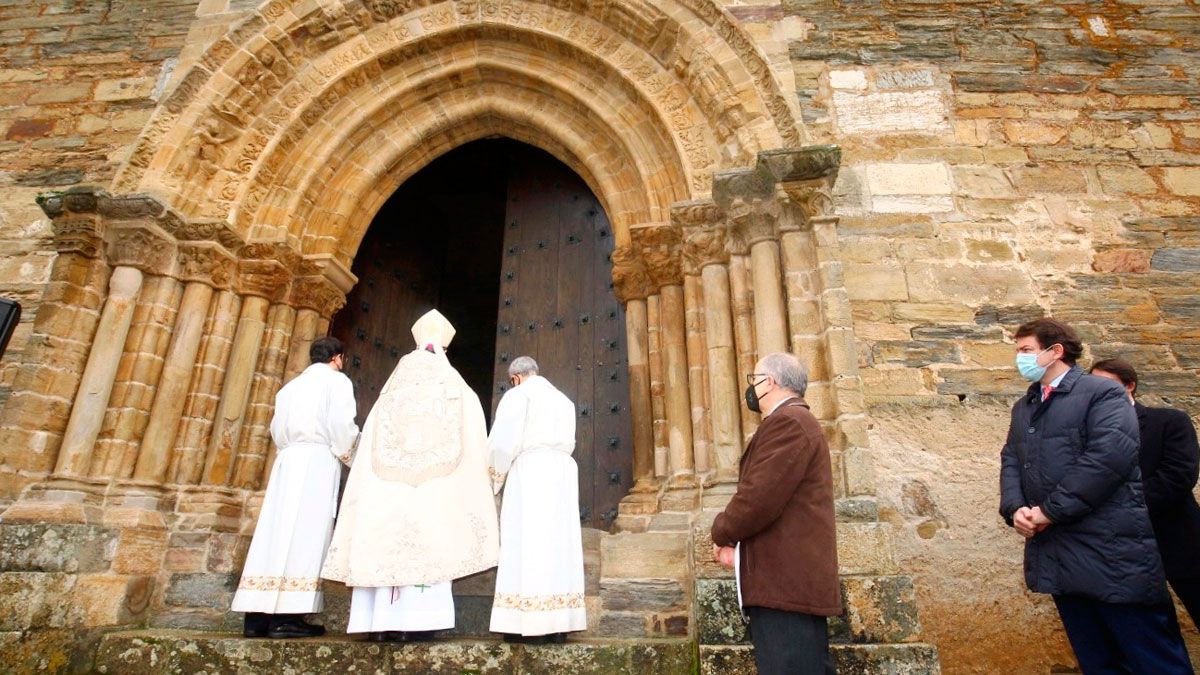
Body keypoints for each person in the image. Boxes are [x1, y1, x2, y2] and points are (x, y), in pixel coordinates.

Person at [999, 319, 1193, 673]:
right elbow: (1012, 458)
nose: (1019, 359)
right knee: (1097, 661)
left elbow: (1108, 458)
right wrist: (1016, 509)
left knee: (1152, 658)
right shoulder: (1025, 406)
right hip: (1059, 553)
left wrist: (1049, 511)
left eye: (1025, 350)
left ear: (1054, 351)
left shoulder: (1103, 394)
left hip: (1111, 553)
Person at [321, 309, 499, 642]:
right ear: (444, 350)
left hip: (386, 491)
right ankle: (415, 623)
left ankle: (378, 623)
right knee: (428, 542)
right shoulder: (457, 390)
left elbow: (365, 444)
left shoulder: (388, 394)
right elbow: (475, 436)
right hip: (433, 489)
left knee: (384, 541)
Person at [710, 352, 840, 675]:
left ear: (769, 383)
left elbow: (758, 498)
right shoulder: (795, 422)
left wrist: (721, 532)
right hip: (788, 589)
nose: (751, 390)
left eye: (754, 381)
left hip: (786, 590)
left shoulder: (790, 423)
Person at [230, 336, 359, 639]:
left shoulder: (289, 388)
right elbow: (342, 427)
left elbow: (276, 429)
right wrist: (353, 454)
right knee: (305, 534)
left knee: (272, 535)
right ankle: (287, 617)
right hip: (315, 462)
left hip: (287, 462)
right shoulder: (337, 383)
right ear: (337, 358)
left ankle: (256, 616)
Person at [1090, 357, 1200, 627]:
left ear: (1130, 386)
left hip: (1178, 541)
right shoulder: (1088, 434)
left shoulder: (1169, 421)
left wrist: (1122, 509)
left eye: (1106, 385)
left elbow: (1178, 477)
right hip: (1122, 552)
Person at [487, 356, 586, 644]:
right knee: (558, 544)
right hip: (562, 473)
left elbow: (503, 442)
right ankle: (557, 624)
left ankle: (524, 622)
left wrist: (495, 476)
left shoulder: (518, 396)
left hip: (530, 472)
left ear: (516, 377)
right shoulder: (564, 400)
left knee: (526, 541)